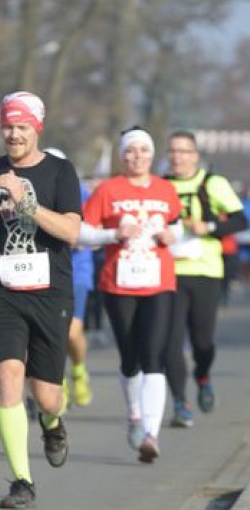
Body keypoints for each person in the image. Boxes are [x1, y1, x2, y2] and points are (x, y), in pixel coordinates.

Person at [0, 92, 82, 509]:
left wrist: (26, 203)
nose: (14, 135)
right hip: (4, 291)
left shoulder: (59, 171)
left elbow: (72, 232)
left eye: (22, 127)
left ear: (37, 128)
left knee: (47, 395)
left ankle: (53, 423)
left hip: (51, 292)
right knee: (7, 377)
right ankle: (21, 481)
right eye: (8, 127)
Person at [82, 127, 181, 463]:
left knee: (154, 355)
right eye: (130, 151)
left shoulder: (166, 189)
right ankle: (135, 413)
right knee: (130, 356)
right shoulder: (108, 190)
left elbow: (178, 225)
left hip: (159, 283)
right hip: (118, 282)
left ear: (152, 155)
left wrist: (172, 235)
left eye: (143, 150)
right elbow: (84, 232)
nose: (137, 156)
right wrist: (114, 233)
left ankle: (151, 434)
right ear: (122, 156)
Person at [164, 131, 247, 426]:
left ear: (195, 155)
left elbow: (240, 220)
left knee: (202, 342)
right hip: (168, 274)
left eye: (184, 151)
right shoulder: (160, 186)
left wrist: (208, 226)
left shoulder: (212, 183)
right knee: (170, 343)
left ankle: (202, 376)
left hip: (205, 272)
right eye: (173, 151)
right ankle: (180, 403)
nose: (177, 156)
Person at [44, 148, 94, 407]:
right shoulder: (34, 188)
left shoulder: (79, 190)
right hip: (46, 269)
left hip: (77, 270)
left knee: (72, 332)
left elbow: (86, 230)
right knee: (52, 332)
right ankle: (57, 382)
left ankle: (78, 369)